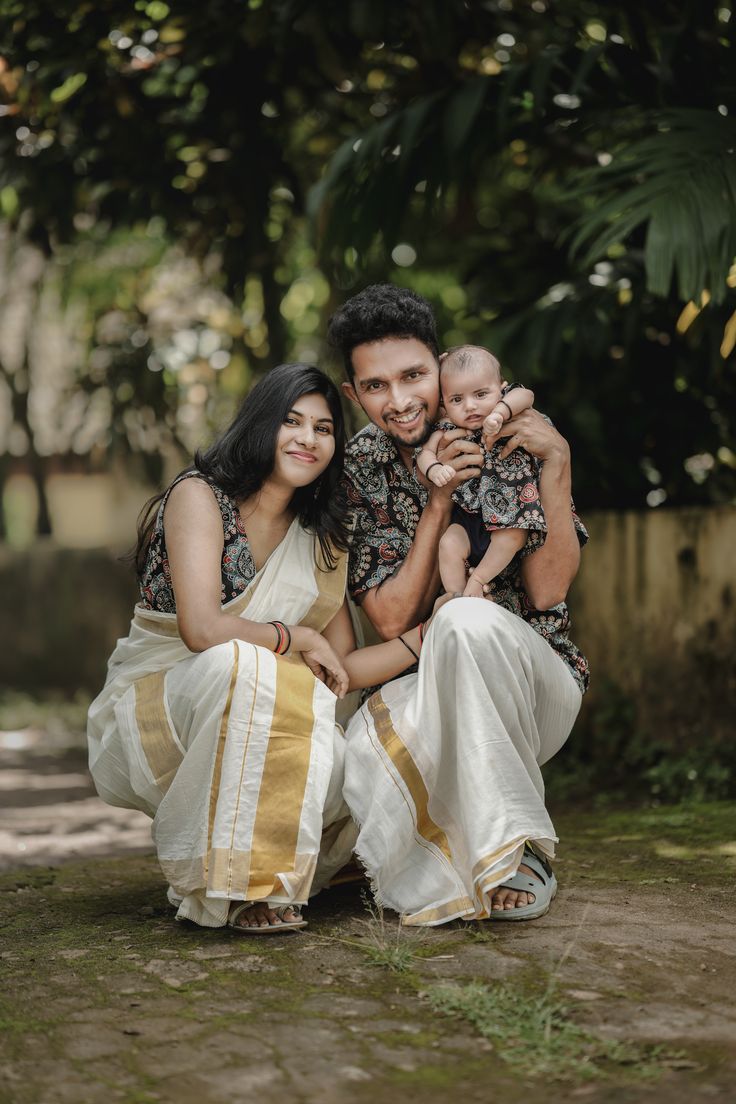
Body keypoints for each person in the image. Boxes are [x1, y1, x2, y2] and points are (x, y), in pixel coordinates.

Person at [87, 363, 434, 934]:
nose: (308, 438)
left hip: (265, 714)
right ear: (261, 423)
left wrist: (425, 637)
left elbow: (342, 670)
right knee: (249, 664)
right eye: (291, 421)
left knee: (361, 740)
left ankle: (296, 865)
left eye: (324, 429)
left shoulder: (322, 535)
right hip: (160, 712)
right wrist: (297, 637)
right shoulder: (199, 496)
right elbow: (202, 630)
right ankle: (247, 886)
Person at [329, 284, 589, 925]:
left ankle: (518, 847)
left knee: (466, 619)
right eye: (376, 386)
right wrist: (438, 501)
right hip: (421, 692)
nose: (399, 400)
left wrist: (557, 464)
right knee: (361, 749)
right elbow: (391, 619)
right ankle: (458, 857)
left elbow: (548, 592)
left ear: (441, 366)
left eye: (413, 376)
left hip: (534, 688)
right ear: (354, 394)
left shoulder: (509, 427)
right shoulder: (358, 468)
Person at [415, 344, 542, 599]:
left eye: (481, 394)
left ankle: (478, 580)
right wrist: (434, 469)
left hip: (512, 512)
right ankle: (456, 597)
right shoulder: (446, 428)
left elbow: (526, 394)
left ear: (501, 390)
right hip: (469, 516)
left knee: (510, 538)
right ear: (444, 403)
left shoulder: (507, 412)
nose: (470, 406)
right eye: (457, 399)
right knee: (449, 543)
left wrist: (500, 412)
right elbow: (424, 454)